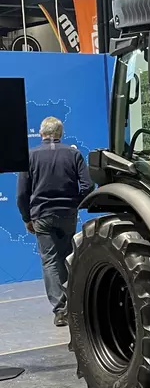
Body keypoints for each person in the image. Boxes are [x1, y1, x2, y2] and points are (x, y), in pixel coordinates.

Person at [16, 117, 93, 327]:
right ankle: (76, 305)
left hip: (41, 215)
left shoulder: (30, 156)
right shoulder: (73, 154)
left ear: (41, 134)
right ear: (60, 133)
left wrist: (27, 218)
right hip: (67, 213)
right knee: (69, 257)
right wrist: (75, 204)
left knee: (50, 261)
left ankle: (60, 311)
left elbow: (22, 193)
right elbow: (88, 185)